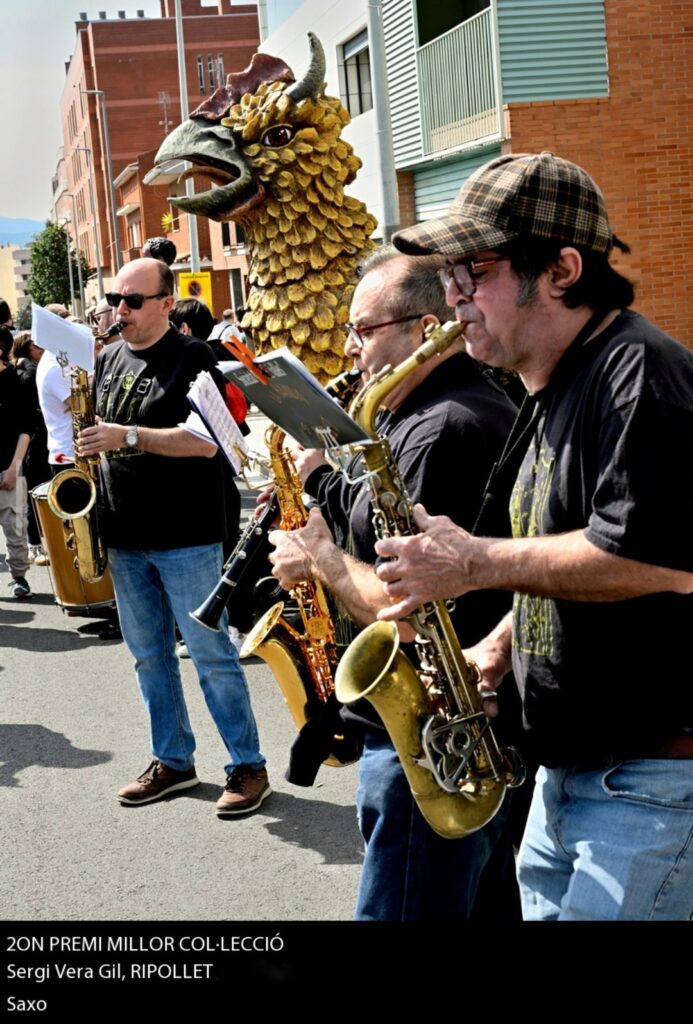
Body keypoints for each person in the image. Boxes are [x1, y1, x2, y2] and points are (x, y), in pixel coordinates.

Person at [371, 151, 693, 920]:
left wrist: (473, 561)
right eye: (448, 274)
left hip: (648, 784)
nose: (453, 294)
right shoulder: (547, 387)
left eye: (473, 271)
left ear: (560, 270)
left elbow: (654, 558)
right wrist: (497, 649)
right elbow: (566, 552)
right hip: (567, 777)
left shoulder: (638, 375)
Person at [268, 248, 525, 921]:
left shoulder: (445, 428)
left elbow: (405, 605)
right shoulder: (409, 416)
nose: (349, 349)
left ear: (426, 328)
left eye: (364, 330)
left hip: (434, 738)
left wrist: (321, 560)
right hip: (446, 737)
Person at [77, 257, 270, 815]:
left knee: (210, 654)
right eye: (115, 299)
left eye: (133, 301)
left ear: (166, 303)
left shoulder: (195, 357)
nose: (120, 310)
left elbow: (207, 443)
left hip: (186, 534)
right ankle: (173, 761)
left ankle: (248, 766)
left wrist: (127, 436)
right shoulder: (109, 358)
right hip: (123, 531)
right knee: (148, 657)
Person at [0, 334, 33, 598]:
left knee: (15, 526)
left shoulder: (16, 380)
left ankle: (19, 577)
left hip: (10, 466)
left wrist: (14, 467)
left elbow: (26, 428)